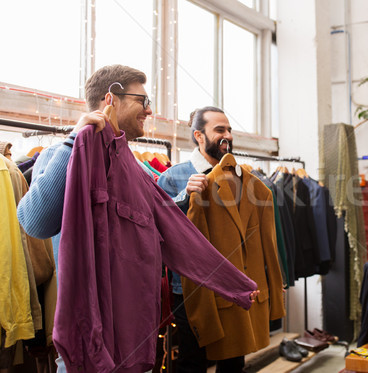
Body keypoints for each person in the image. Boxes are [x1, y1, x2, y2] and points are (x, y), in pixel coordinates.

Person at [17, 66, 257, 372]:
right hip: (89, 345)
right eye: (142, 100)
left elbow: (175, 232)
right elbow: (34, 222)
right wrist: (74, 140)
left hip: (137, 339)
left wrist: (235, 285)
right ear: (110, 100)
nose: (149, 109)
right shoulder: (62, 155)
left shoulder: (138, 172)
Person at [157, 106, 242, 373]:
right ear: (199, 136)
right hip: (189, 287)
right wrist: (184, 195)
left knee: (234, 360)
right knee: (192, 362)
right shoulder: (173, 177)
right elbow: (156, 225)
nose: (227, 135)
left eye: (228, 129)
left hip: (231, 284)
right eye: (219, 130)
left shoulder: (239, 176)